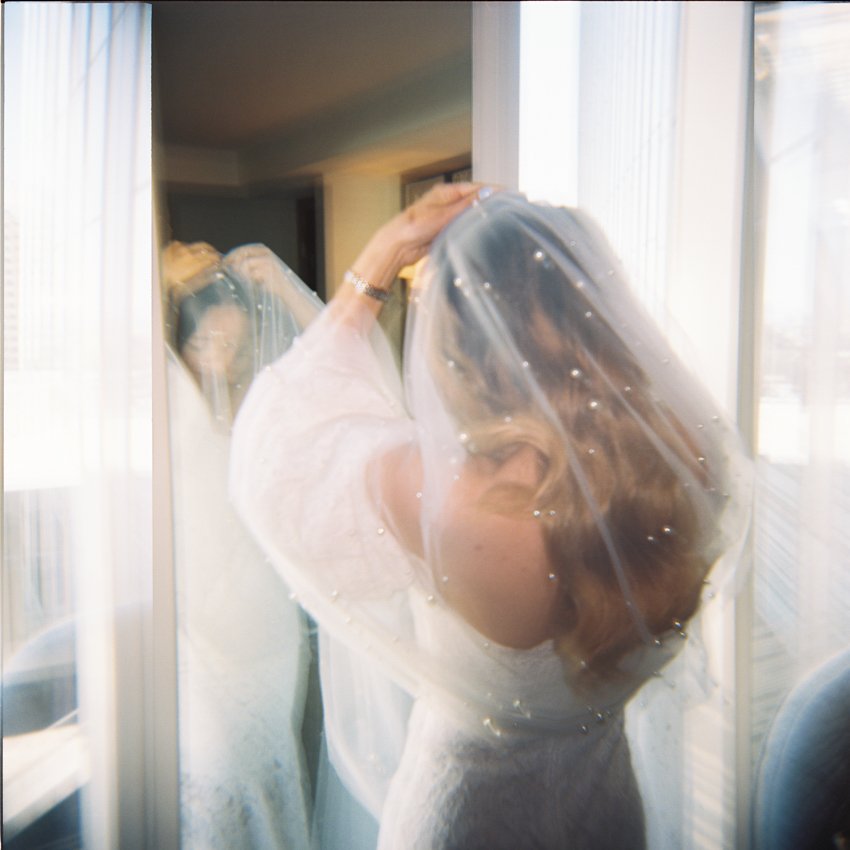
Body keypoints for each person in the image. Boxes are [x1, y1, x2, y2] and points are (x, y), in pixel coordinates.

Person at [230, 185, 750, 849]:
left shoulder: (439, 491)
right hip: (605, 809)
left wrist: (377, 263)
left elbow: (278, 452)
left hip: (466, 820)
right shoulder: (679, 460)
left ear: (456, 340)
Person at [161, 241, 324, 850]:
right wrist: (162, 281)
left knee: (266, 774)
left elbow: (340, 359)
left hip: (268, 632)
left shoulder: (259, 405)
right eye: (202, 340)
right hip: (199, 637)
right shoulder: (163, 400)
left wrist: (284, 288)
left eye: (229, 346)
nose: (214, 359)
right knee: (213, 776)